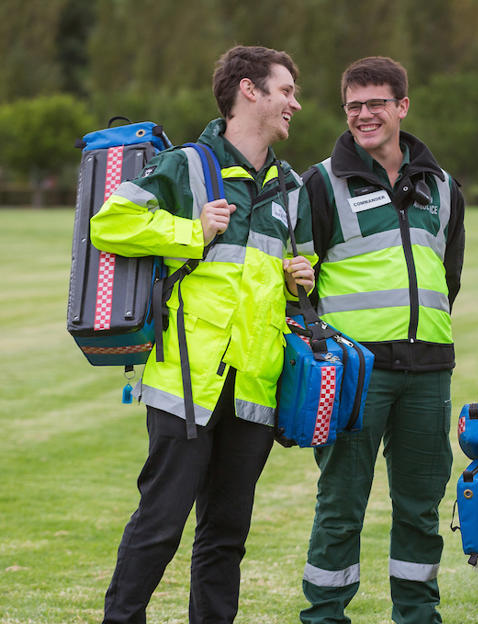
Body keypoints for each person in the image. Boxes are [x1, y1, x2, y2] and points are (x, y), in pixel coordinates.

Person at [90, 45, 314, 623]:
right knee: (161, 523)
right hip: (187, 381)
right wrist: (191, 230)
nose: (295, 102)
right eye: (285, 90)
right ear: (249, 90)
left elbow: (286, 279)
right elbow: (109, 223)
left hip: (255, 386)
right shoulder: (188, 165)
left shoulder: (291, 186)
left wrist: (302, 281)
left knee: (226, 535)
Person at [298, 56, 465, 624]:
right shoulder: (319, 183)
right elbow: (299, 283)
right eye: (354, 106)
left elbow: (450, 276)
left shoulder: (443, 187)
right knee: (341, 507)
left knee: (419, 510)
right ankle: (325, 615)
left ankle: (418, 616)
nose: (365, 115)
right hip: (354, 373)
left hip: (429, 372)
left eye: (376, 104)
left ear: (402, 107)